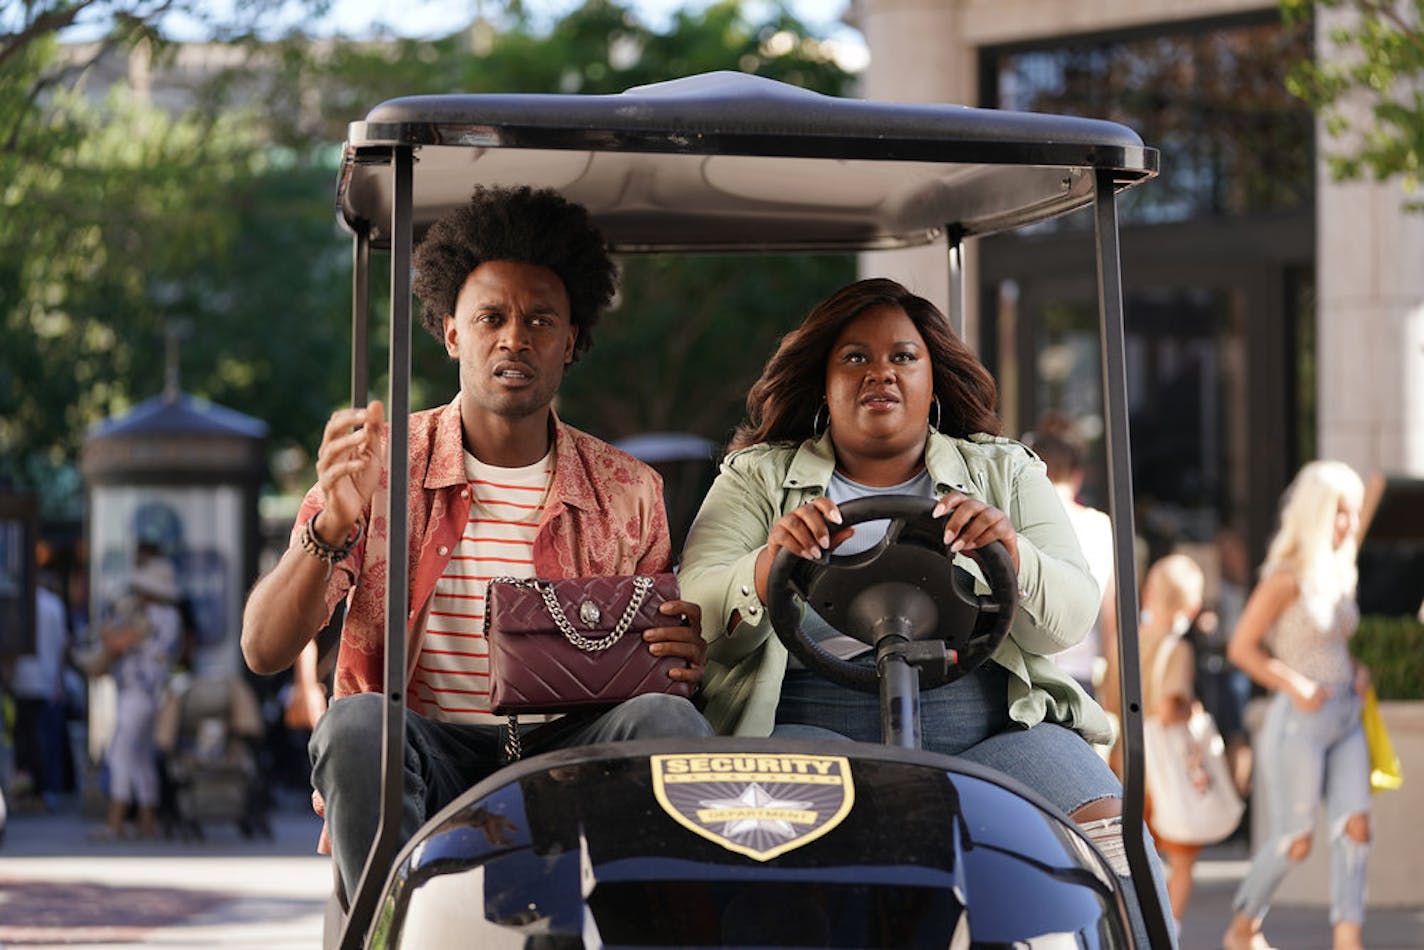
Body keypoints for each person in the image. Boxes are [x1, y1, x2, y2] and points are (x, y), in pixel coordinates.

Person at [240, 185, 713, 899]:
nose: (515, 338)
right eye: (491, 317)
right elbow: (263, 648)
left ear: (571, 339)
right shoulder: (383, 467)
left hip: (567, 754)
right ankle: (385, 928)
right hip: (427, 752)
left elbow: (655, 679)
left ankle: (644, 928)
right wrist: (331, 526)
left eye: (540, 320)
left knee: (668, 719)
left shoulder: (630, 491)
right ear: (452, 331)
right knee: (358, 722)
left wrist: (679, 656)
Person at [678, 277, 1173, 946]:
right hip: (811, 723)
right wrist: (768, 565)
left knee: (1114, 842)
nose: (880, 372)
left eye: (902, 357)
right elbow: (694, 611)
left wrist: (1011, 552)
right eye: (855, 357)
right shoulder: (757, 475)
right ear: (823, 383)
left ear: (932, 378)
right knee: (786, 862)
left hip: (994, 723)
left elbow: (1075, 615)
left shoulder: (1004, 470)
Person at [1222, 460, 1371, 950]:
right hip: (1300, 723)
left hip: (1347, 716)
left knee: (1355, 828)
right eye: (1339, 512)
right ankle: (1243, 927)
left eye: (1352, 512)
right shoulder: (1285, 578)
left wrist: (1355, 671)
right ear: (1315, 514)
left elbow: (1333, 643)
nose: (1348, 523)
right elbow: (1241, 647)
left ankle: (1348, 940)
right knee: (1295, 841)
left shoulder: (1339, 571)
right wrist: (1295, 685)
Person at [1136, 553, 1206, 931]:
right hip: (1166, 771)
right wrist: (1190, 710)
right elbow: (1167, 709)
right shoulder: (1179, 649)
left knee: (1135, 852)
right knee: (1182, 859)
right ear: (1191, 607)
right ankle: (1168, 928)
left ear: (1148, 593)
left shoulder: (1127, 643)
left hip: (1127, 764)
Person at [92, 555, 183, 839]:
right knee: (142, 758)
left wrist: (108, 628)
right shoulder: (172, 617)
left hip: (136, 693)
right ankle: (147, 821)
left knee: (120, 754)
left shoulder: (149, 615)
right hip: (154, 692)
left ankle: (116, 821)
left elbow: (116, 641)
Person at [1022, 425, 1116, 700]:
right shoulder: (1099, 525)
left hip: (1031, 668)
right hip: (1082, 670)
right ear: (1078, 476)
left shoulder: (1021, 518)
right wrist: (1110, 673)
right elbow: (1109, 608)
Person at [8, 578, 70, 810]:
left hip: (23, 678)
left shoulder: (21, 604)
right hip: (46, 679)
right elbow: (62, 645)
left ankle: (31, 789)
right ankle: (43, 789)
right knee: (41, 738)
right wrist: (59, 681)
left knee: (26, 739)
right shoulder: (54, 604)